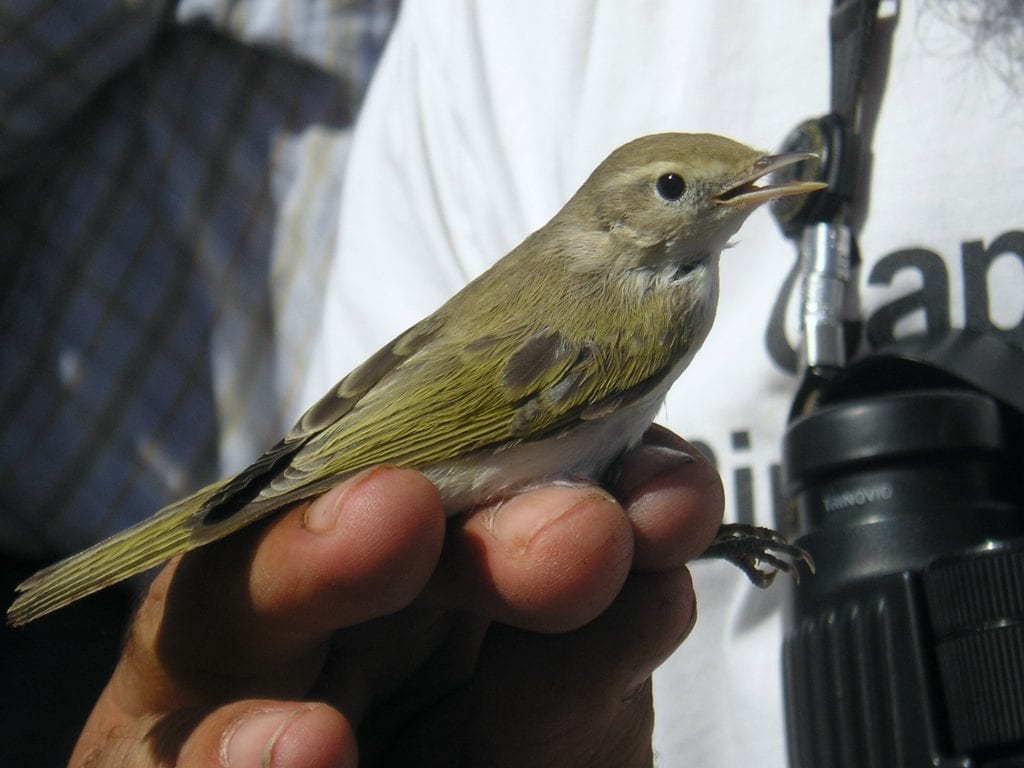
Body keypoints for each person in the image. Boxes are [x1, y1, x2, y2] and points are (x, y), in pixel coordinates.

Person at [3, 0, 1022, 766]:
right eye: (676, 188)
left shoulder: (667, 278)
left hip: (378, 427)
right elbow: (515, 446)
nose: (717, 197)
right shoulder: (651, 303)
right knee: (587, 532)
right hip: (426, 454)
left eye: (731, 183)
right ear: (622, 213)